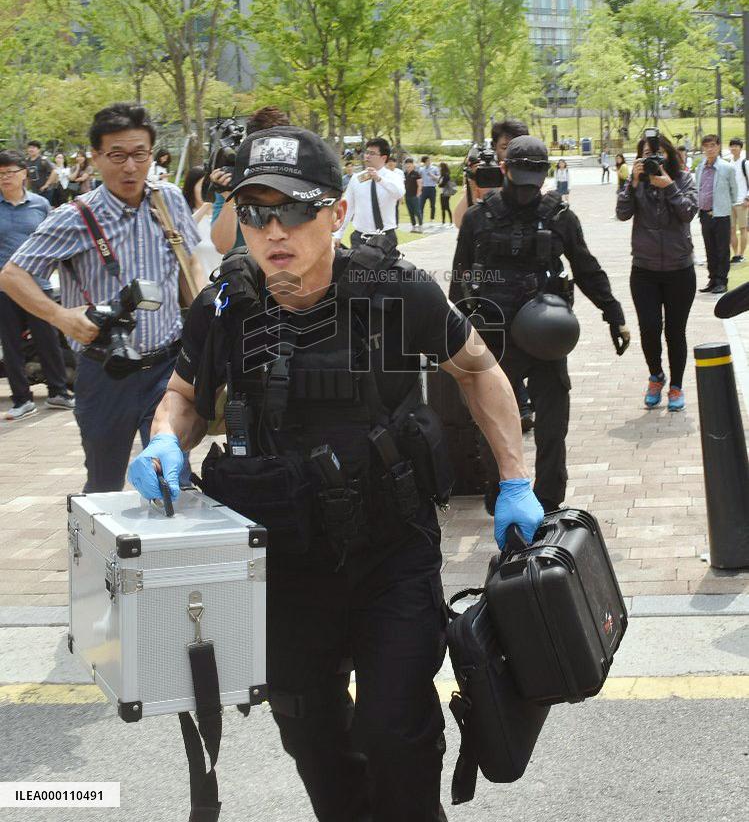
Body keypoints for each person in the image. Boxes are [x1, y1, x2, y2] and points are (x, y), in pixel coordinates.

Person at [127, 124, 542, 822]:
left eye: (292, 208)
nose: (271, 229)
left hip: (390, 552)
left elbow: (478, 369)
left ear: (337, 213)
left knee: (394, 728)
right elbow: (183, 396)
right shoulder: (223, 306)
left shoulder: (392, 288)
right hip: (281, 563)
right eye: (253, 210)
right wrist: (163, 442)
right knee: (311, 733)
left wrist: (514, 479)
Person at [0, 102, 205, 492]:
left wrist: (199, 315)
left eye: (139, 154)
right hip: (104, 373)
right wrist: (61, 317)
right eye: (117, 155)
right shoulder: (74, 216)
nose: (130, 167)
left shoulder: (169, 200)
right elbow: (12, 275)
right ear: (95, 157)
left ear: (152, 154)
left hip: (168, 369)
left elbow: (189, 263)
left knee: (171, 478)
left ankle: (166, 552)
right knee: (104, 483)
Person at [450, 136, 630, 511]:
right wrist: (458, 335)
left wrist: (614, 314)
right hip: (495, 337)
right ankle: (500, 494)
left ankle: (548, 499)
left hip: (545, 336)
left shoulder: (560, 216)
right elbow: (459, 279)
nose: (527, 186)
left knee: (552, 424)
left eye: (534, 176)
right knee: (494, 422)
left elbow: (586, 268)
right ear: (504, 170)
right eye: (521, 175)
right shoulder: (477, 217)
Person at [617, 133, 698, 412]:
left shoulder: (685, 179)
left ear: (670, 154)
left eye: (659, 153)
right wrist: (633, 183)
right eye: (648, 154)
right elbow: (622, 213)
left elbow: (688, 212)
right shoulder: (636, 183)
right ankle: (656, 376)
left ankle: (676, 385)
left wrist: (669, 186)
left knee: (676, 332)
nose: (654, 159)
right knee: (649, 329)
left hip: (680, 269)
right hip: (644, 269)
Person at [0, 150, 74, 420]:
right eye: (0, 173)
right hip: (5, 287)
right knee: (11, 344)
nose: (5, 177)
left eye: (10, 172)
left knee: (48, 339)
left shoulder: (40, 205)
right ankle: (21, 399)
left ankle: (58, 393)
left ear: (24, 174)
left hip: (38, 284)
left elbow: (54, 241)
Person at [211, 106, 291, 255]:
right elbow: (222, 246)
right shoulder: (235, 177)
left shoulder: (301, 177)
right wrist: (231, 197)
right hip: (245, 271)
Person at [453, 118, 529, 229]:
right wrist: (472, 184)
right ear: (494, 147)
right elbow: (460, 222)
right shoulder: (484, 177)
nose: (511, 153)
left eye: (517, 147)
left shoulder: (533, 176)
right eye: (505, 147)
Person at [336, 137, 405, 249]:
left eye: (372, 153)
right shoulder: (356, 178)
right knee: (357, 266)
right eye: (366, 152)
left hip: (385, 237)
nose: (367, 156)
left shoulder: (394, 177)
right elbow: (347, 207)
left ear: (383, 157)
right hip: (360, 238)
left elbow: (399, 193)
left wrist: (379, 179)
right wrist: (338, 234)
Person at [694, 134, 737, 294]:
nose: (709, 149)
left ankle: (721, 280)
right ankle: (712, 279)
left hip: (721, 215)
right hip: (704, 215)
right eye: (706, 146)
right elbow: (698, 189)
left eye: (712, 145)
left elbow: (734, 192)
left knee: (722, 249)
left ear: (718, 147)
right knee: (709, 248)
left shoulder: (727, 168)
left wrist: (723, 206)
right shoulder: (700, 167)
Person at [182, 166, 222, 278]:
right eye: (203, 186)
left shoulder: (220, 215)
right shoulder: (185, 216)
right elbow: (182, 233)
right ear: (191, 187)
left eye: (210, 186)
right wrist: (206, 205)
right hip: (199, 287)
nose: (208, 190)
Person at [729, 138, 748, 264]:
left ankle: (741, 254)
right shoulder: (729, 163)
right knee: (731, 229)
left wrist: (747, 198)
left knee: (743, 229)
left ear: (741, 148)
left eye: (736, 146)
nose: (734, 148)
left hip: (742, 201)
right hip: (730, 202)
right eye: (732, 146)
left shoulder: (745, 163)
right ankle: (735, 255)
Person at [403, 157, 423, 232]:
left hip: (415, 196)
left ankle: (420, 226)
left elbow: (420, 184)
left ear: (413, 165)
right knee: (410, 212)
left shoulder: (416, 174)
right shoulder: (404, 174)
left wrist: (418, 194)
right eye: (407, 166)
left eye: (410, 166)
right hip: (407, 196)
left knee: (417, 211)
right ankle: (413, 226)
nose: (408, 167)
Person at [418, 155, 440, 223]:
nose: (429, 162)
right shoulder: (421, 169)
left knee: (432, 205)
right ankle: (420, 219)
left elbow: (439, 178)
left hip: (432, 188)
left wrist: (432, 176)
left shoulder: (435, 168)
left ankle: (432, 219)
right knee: (421, 205)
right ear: (424, 162)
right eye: (427, 161)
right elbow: (418, 177)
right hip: (424, 188)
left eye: (429, 160)